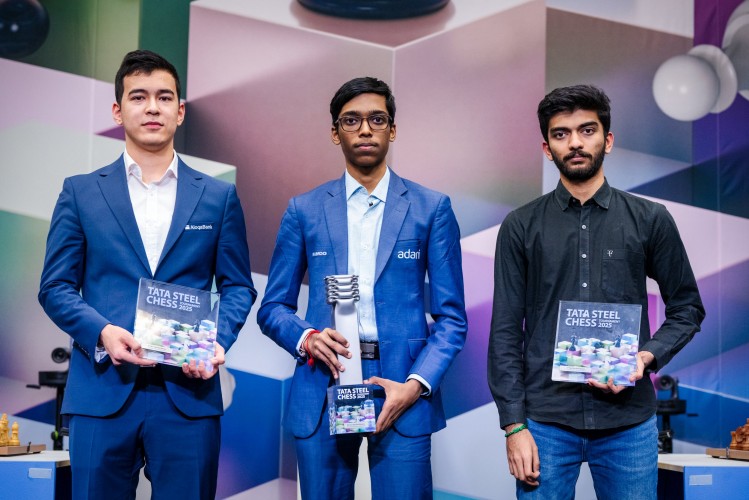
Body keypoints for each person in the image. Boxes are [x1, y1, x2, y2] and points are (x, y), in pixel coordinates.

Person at [38, 49, 256, 499]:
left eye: (164, 97)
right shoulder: (80, 192)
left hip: (189, 393)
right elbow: (55, 287)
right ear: (118, 111)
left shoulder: (218, 197)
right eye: (138, 97)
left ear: (181, 111)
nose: (152, 107)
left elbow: (238, 285)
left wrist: (216, 341)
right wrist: (102, 333)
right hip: (102, 390)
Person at [488, 84, 705, 499]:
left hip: (628, 423)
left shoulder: (650, 219)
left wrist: (645, 357)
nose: (575, 142)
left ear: (608, 140)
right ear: (547, 148)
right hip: (546, 421)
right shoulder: (521, 226)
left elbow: (687, 308)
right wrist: (514, 426)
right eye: (561, 133)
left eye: (587, 130)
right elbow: (505, 332)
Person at [257, 76, 467, 500]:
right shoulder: (304, 210)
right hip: (325, 381)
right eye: (351, 120)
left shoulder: (431, 208)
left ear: (393, 129)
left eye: (377, 119)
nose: (365, 129)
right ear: (335, 133)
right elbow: (273, 307)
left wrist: (416, 384)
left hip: (402, 386)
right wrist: (307, 338)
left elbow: (452, 319)